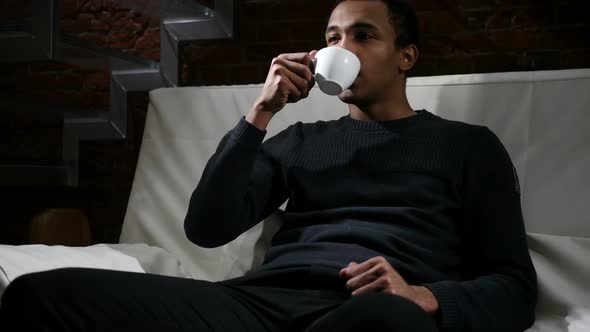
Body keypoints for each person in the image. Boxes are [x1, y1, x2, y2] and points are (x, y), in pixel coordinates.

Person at [0, 0, 536, 331]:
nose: (339, 47)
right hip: (258, 306)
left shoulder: (467, 146)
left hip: (370, 310)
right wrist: (261, 112)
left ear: (406, 57)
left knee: (387, 321)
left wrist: (425, 297)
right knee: (41, 295)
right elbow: (206, 228)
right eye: (331, 38)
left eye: (362, 35)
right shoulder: (300, 139)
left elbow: (514, 287)